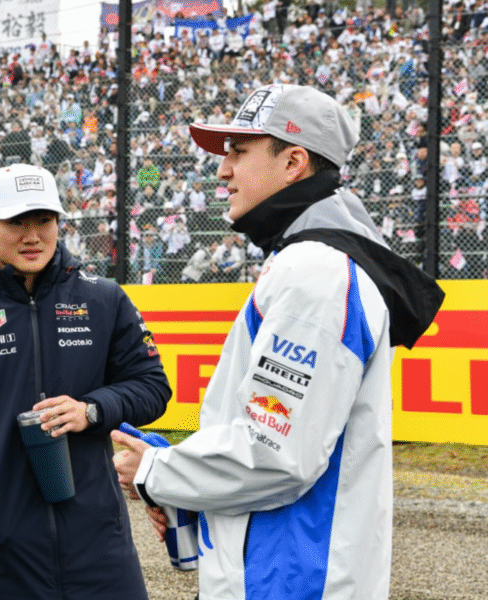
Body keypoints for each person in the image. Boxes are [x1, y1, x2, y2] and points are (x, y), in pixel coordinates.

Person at [111, 84, 444, 599]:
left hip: (289, 582)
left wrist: (155, 469)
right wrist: (181, 483)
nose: (223, 171)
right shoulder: (311, 262)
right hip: (282, 573)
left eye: (239, 152)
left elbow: (276, 456)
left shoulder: (316, 270)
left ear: (293, 163)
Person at [0, 163, 172, 599]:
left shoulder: (103, 297)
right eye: (16, 222)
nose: (33, 236)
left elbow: (152, 386)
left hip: (99, 547)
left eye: (44, 220)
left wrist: (91, 410)